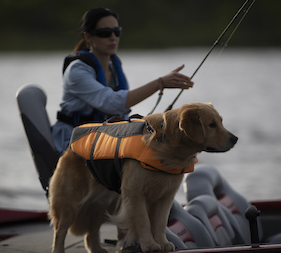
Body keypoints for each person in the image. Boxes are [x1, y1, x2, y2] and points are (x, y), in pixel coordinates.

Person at [52, 7, 194, 156]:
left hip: (103, 138)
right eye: (105, 33)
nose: (113, 37)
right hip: (72, 140)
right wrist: (159, 83)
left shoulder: (114, 67)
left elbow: (120, 112)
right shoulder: (76, 71)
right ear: (88, 37)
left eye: (116, 32)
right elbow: (111, 103)